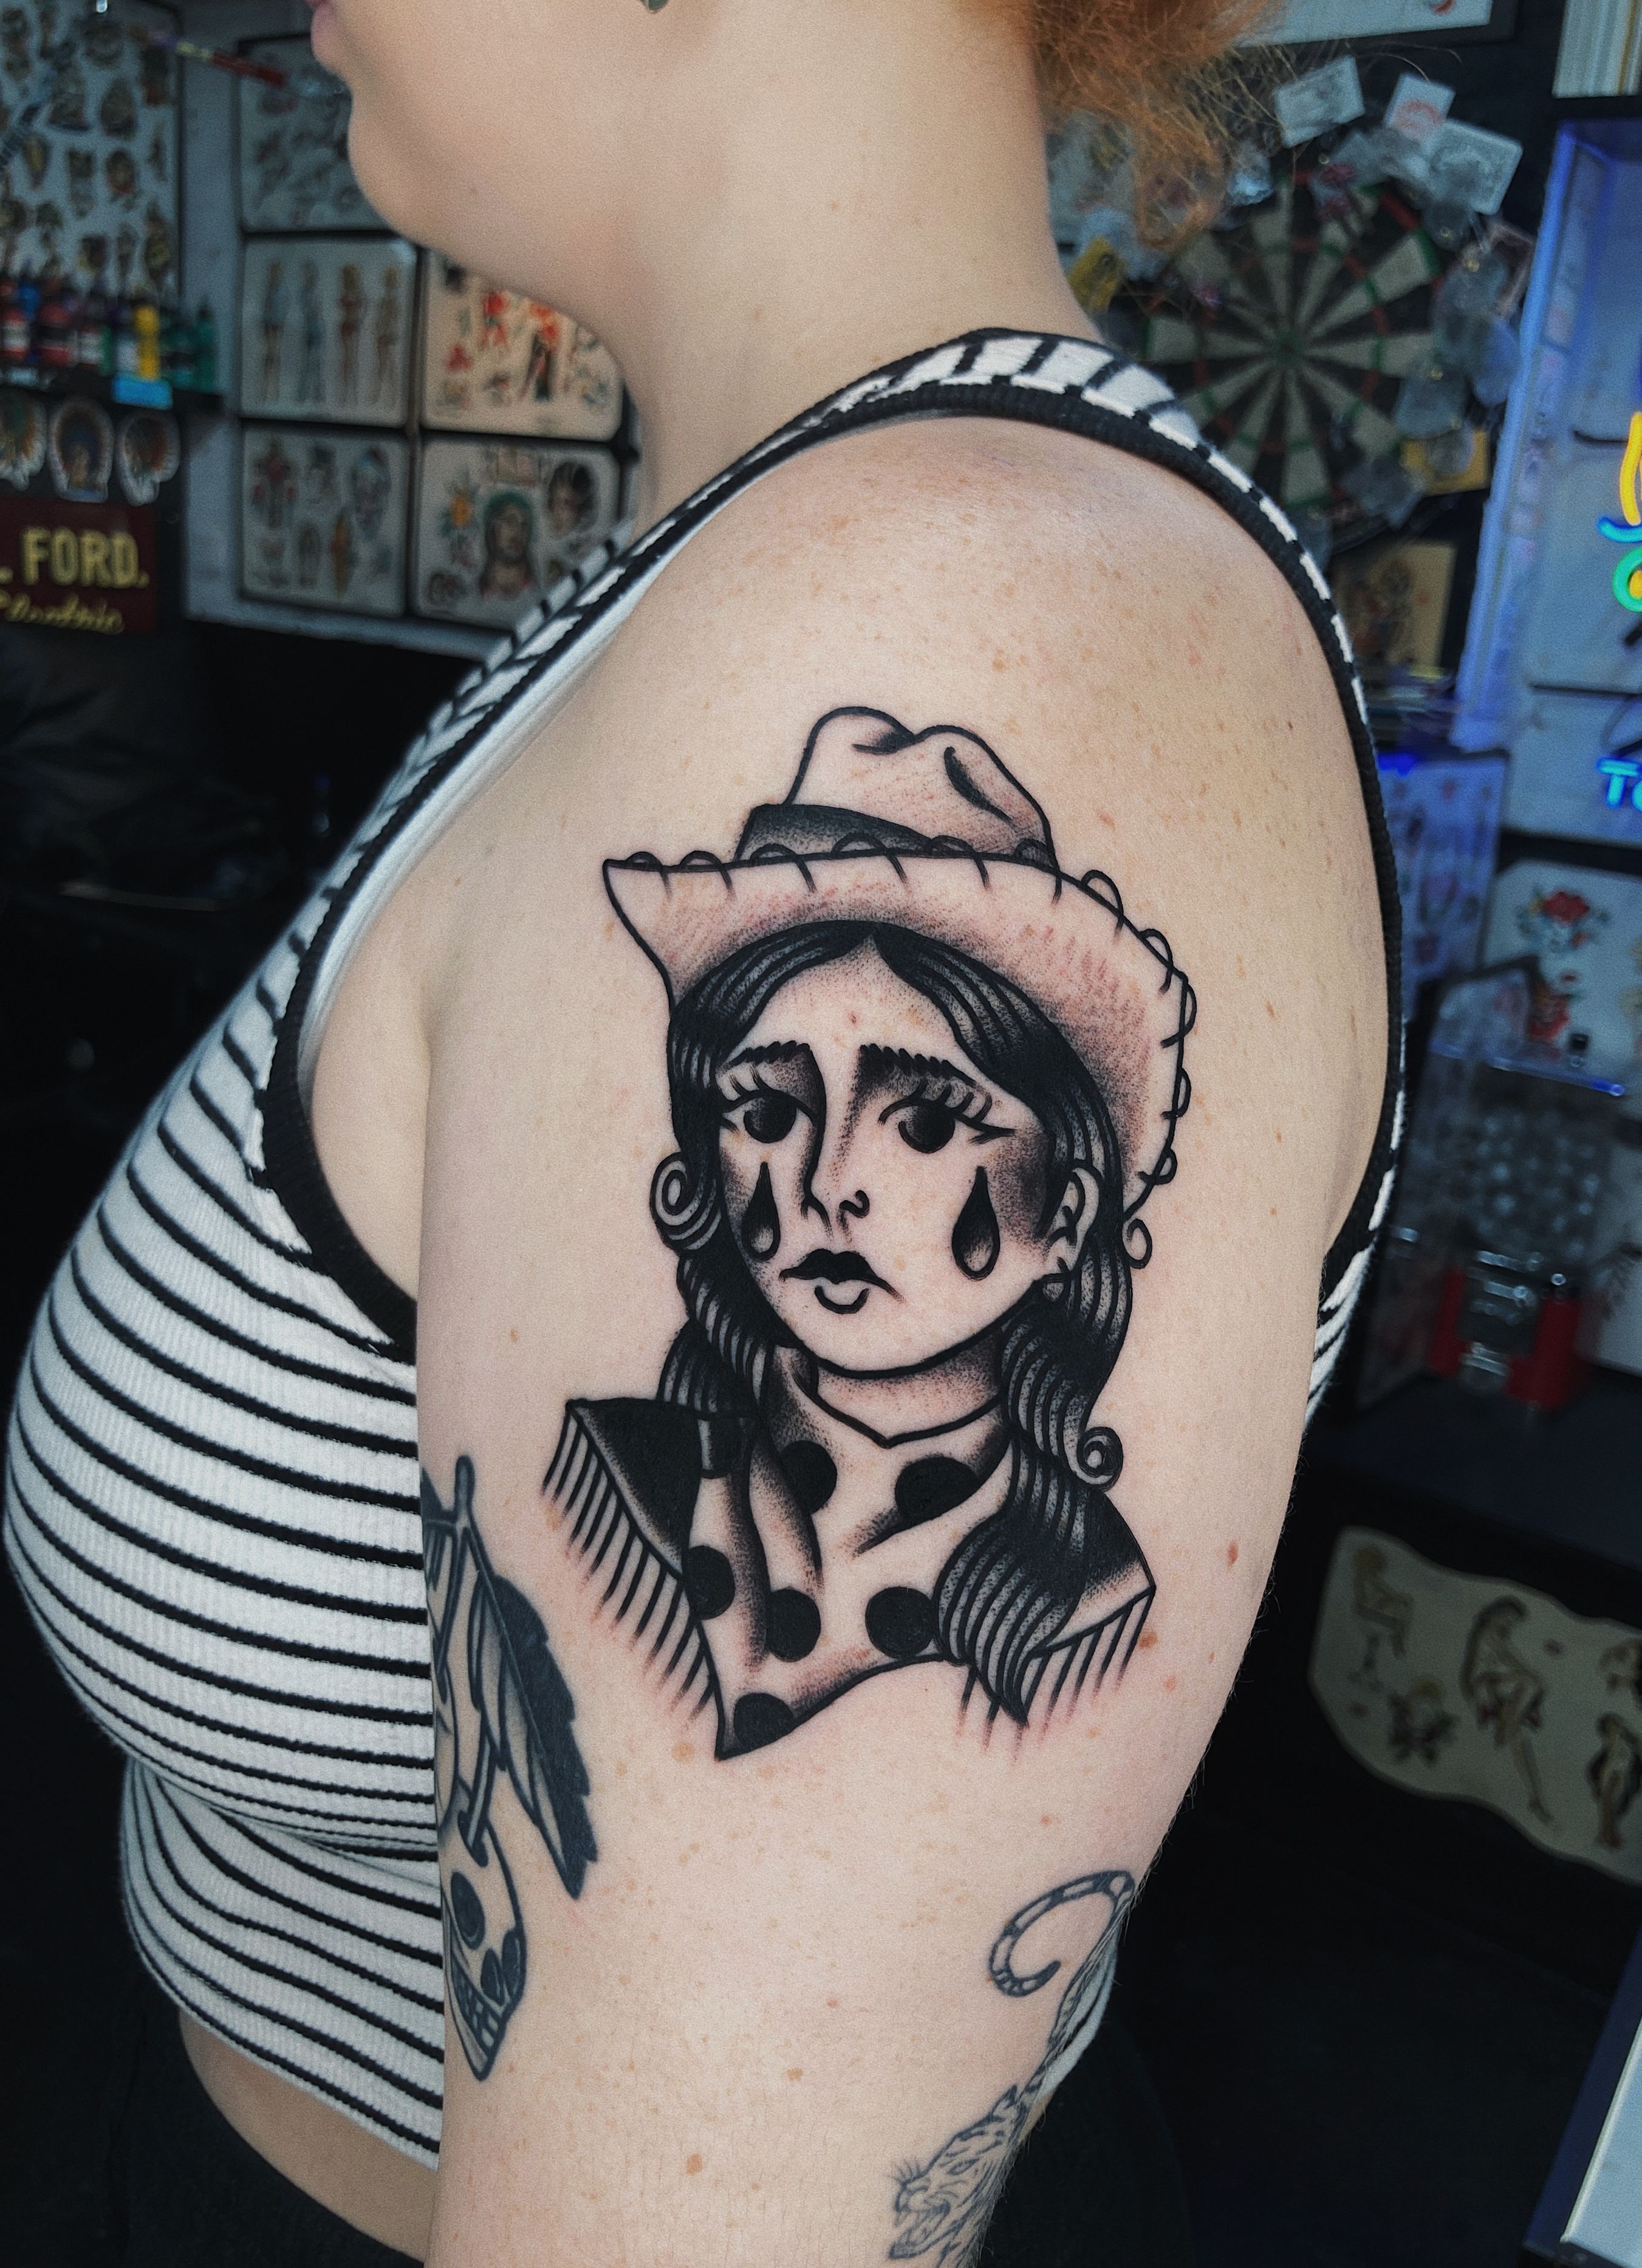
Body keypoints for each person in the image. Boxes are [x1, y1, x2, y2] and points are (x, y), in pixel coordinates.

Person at [2, 1, 1399, 2263]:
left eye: (926, 1107)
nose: (831, 1179)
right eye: (765, 1094)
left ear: (1063, 1195)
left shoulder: (956, 614)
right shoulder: (758, 556)